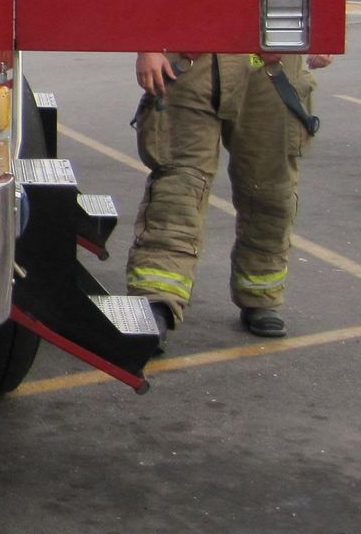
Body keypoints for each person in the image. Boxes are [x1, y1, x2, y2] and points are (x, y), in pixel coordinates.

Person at [125, 50, 332, 347]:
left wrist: (322, 34)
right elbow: (148, 0)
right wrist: (149, 47)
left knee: (270, 191)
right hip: (191, 58)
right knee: (178, 189)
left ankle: (261, 295)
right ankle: (156, 300)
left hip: (270, 63)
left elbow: (321, 0)